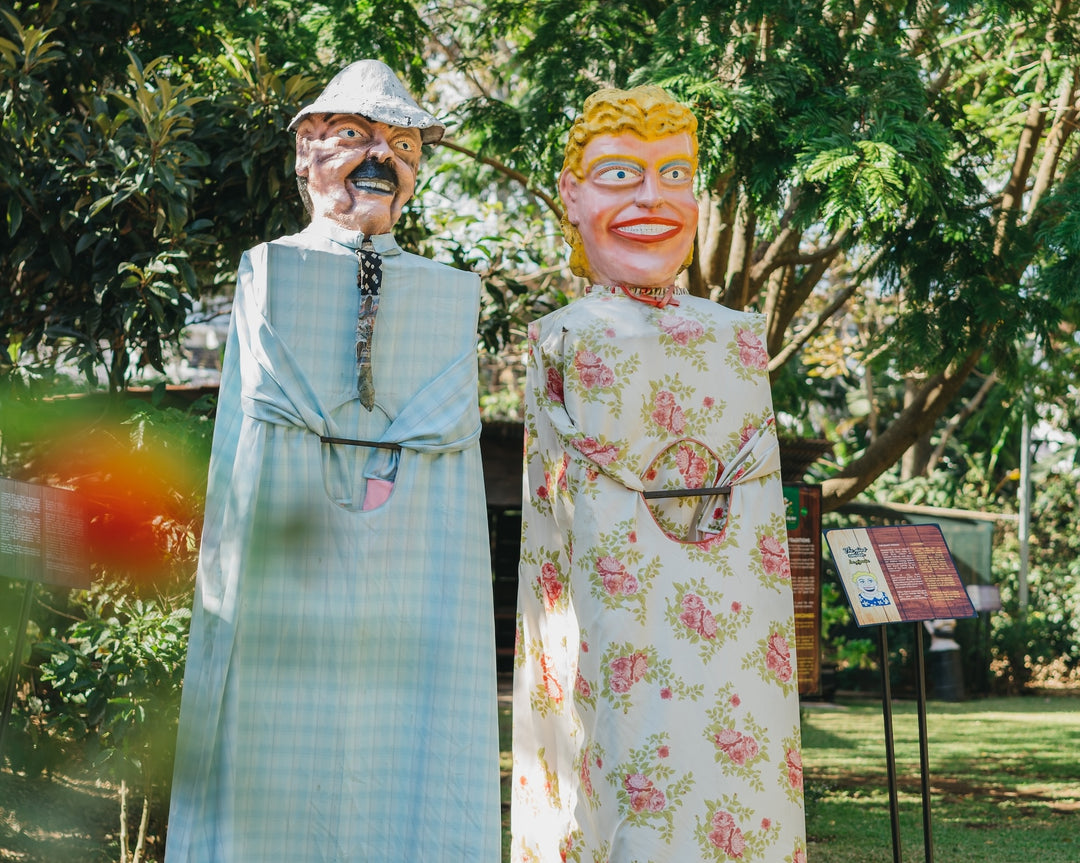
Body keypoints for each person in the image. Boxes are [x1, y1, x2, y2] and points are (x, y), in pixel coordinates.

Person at [165, 60, 500, 862]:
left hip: (410, 569)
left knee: (410, 726)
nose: (381, 157)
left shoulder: (449, 294)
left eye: (404, 144)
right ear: (305, 153)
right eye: (354, 137)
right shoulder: (271, 270)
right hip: (291, 555)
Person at [511, 85, 807, 863]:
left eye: (675, 173)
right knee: (619, 747)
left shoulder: (736, 335)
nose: (653, 198)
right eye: (619, 175)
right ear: (571, 197)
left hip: (735, 630)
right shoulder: (563, 337)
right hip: (618, 623)